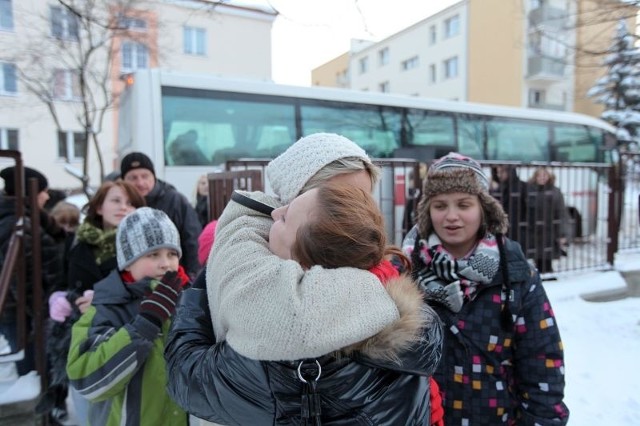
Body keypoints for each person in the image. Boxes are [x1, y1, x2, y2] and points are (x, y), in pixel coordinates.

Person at [166, 133, 443, 425]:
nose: (352, 212)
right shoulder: (383, 294)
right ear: (294, 198)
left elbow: (190, 377)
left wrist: (195, 295)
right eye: (335, 197)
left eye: (362, 199)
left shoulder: (374, 294)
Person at [402, 152, 569, 425]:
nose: (451, 216)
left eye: (464, 204)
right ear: (426, 212)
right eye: (440, 205)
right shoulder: (406, 270)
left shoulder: (516, 276)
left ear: (484, 209)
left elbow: (542, 363)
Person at [66, 207, 190, 426]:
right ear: (128, 262)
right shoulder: (106, 306)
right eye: (153, 254)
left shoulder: (188, 301)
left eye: (172, 254)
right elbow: (86, 380)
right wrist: (145, 324)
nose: (166, 263)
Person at [44, 181, 145, 425]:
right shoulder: (76, 242)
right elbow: (60, 280)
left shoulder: (143, 243)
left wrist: (103, 297)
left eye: (131, 203)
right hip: (80, 334)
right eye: (116, 200)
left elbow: (153, 285)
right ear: (99, 207)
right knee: (87, 406)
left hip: (122, 336)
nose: (124, 207)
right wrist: (58, 299)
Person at [0, 166, 66, 375]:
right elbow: (22, 282)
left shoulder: (28, 220)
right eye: (43, 190)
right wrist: (40, 315)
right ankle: (44, 406)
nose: (46, 196)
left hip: (31, 313)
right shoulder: (17, 224)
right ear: (31, 194)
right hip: (25, 317)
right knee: (34, 370)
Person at [120, 152, 202, 277]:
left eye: (145, 176)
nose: (140, 183)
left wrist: (193, 279)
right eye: (133, 178)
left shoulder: (175, 200)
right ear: (123, 181)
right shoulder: (120, 206)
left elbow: (193, 241)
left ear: (154, 176)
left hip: (175, 279)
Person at [526, 167, 570, 273]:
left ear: (549, 176)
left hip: (549, 228)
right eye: (539, 175)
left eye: (544, 175)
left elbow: (561, 212)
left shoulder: (555, 191)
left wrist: (562, 233)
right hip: (533, 228)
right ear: (535, 177)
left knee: (547, 254)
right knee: (536, 254)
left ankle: (548, 273)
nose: (542, 178)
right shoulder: (529, 189)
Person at [489, 164, 528, 247]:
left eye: (502, 172)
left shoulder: (522, 186)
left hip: (517, 228)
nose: (499, 175)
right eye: (498, 172)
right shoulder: (500, 186)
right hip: (503, 227)